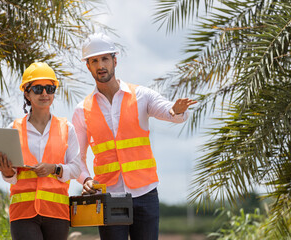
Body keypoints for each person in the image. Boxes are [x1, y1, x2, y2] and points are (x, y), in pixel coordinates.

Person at [72, 33, 197, 240]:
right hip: (108, 195)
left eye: (104, 59)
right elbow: (77, 157)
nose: (100, 65)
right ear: (88, 66)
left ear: (115, 60)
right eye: (94, 61)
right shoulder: (81, 110)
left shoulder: (141, 95)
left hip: (145, 193)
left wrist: (175, 110)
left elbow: (168, 111)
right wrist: (85, 179)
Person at [0, 62, 81, 240]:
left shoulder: (67, 128)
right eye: (38, 89)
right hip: (23, 214)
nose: (45, 94)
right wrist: (7, 171)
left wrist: (54, 168)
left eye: (50, 88)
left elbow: (76, 168)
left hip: (57, 213)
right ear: (27, 93)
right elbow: (12, 175)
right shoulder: (13, 128)